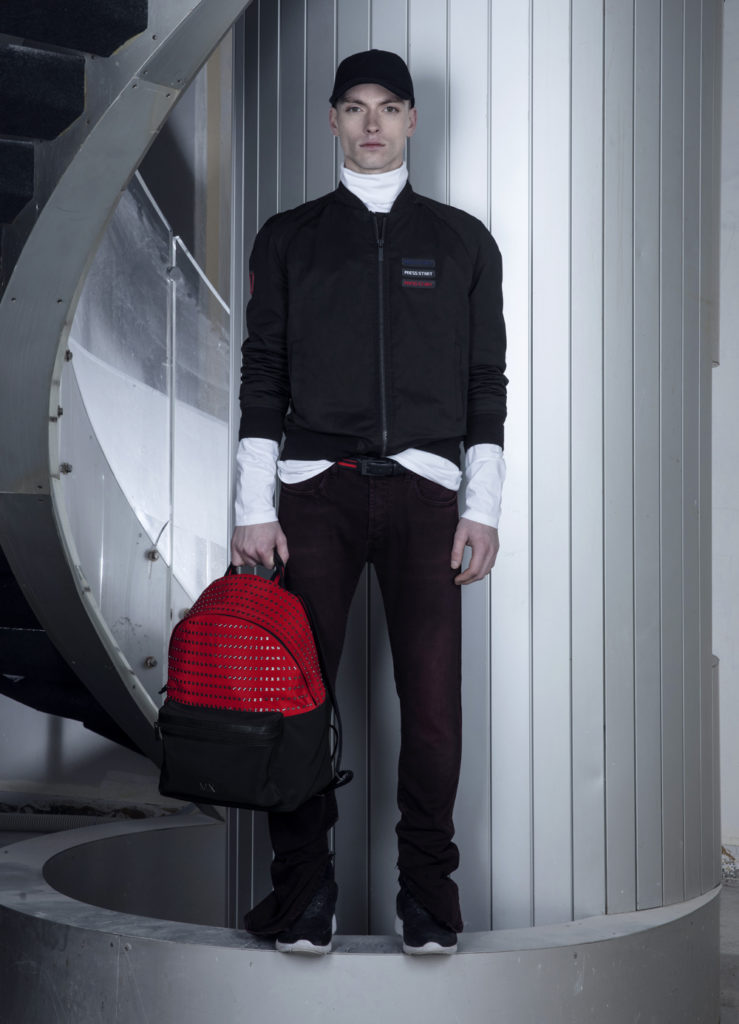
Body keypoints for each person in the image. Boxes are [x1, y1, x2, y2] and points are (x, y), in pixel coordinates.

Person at [230, 49, 507, 956]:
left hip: (429, 497)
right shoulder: (290, 237)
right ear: (332, 120)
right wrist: (253, 504)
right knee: (296, 698)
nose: (373, 123)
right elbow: (263, 374)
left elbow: (485, 383)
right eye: (355, 107)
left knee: (430, 707)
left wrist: (481, 505)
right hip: (314, 496)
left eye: (389, 106)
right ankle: (304, 893)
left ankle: (427, 897)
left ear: (413, 119)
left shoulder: (462, 241)